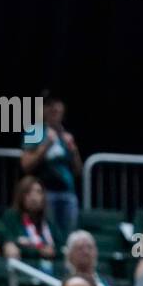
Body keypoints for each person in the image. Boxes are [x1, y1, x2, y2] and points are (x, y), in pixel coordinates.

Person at [21, 94, 82, 238]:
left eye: (58, 107)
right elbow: (26, 165)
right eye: (50, 106)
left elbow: (78, 171)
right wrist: (45, 146)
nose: (54, 109)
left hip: (68, 194)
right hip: (45, 193)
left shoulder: (65, 135)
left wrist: (74, 151)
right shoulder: (34, 131)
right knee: (50, 235)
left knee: (70, 237)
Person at [0, 176, 61, 274]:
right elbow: (10, 243)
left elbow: (60, 247)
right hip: (25, 269)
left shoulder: (48, 221)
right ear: (21, 196)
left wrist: (53, 252)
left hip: (51, 269)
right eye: (28, 192)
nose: (34, 197)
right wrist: (39, 251)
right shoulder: (11, 217)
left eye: (38, 192)